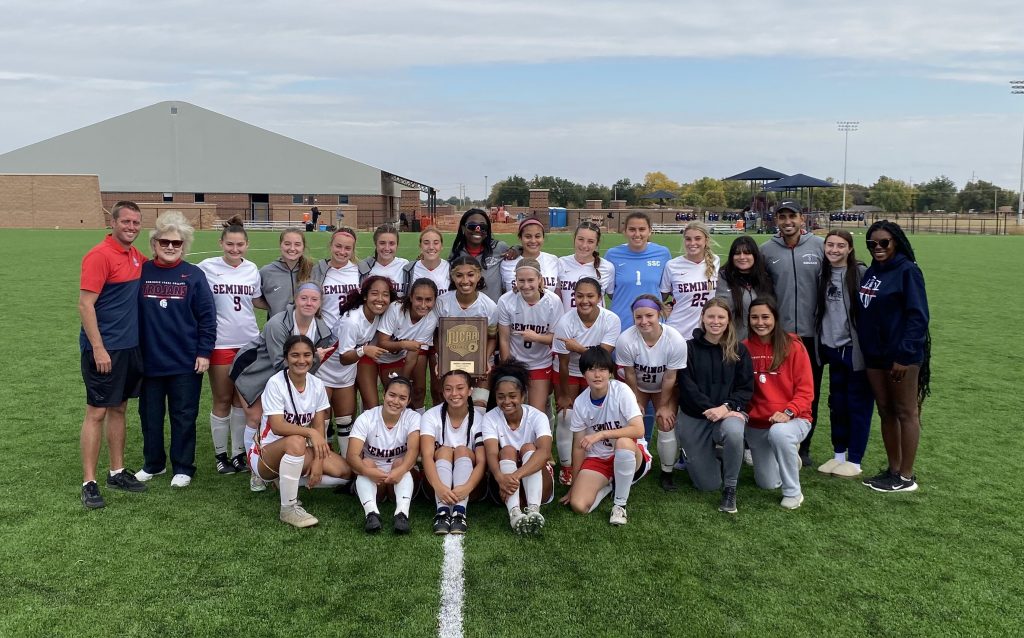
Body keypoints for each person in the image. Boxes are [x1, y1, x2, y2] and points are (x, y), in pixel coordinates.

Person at [136, 211, 216, 489]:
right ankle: (153, 464)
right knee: (150, 417)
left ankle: (183, 467)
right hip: (149, 361)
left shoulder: (194, 275)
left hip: (185, 362)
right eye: (165, 242)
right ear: (154, 243)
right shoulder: (142, 271)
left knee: (183, 416)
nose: (170, 247)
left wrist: (204, 352)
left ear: (185, 245)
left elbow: (207, 317)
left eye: (177, 243)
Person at [231, 282, 335, 489]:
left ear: (320, 303)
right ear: (295, 299)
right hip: (253, 369)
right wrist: (314, 359)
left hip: (280, 373)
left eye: (314, 299)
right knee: (255, 417)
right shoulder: (278, 323)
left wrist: (313, 360)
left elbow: (299, 367)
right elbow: (281, 364)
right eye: (303, 298)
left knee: (276, 416)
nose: (308, 303)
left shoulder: (322, 328)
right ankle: (256, 471)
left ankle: (279, 465)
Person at [79, 200, 147, 508]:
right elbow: (85, 305)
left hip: (129, 347)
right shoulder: (100, 255)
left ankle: (116, 471)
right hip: (104, 350)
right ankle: (89, 481)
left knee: (119, 409)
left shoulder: (135, 256)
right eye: (126, 222)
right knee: (97, 412)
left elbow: (162, 265)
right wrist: (98, 348)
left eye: (136, 223)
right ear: (113, 223)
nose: (131, 227)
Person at [248, 335, 352, 528]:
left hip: (298, 450)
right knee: (296, 440)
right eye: (295, 355)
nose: (301, 360)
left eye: (307, 355)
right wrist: (310, 434)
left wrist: (319, 462)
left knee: (344, 472)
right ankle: (288, 508)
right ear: (286, 358)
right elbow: (278, 425)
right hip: (266, 454)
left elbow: (320, 426)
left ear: (313, 357)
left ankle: (285, 480)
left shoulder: (317, 384)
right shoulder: (275, 383)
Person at [857, 221, 931, 493]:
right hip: (874, 354)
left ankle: (906, 477)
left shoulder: (907, 271)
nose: (878, 248)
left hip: (900, 356)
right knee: (886, 411)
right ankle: (893, 469)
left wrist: (905, 354)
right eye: (872, 244)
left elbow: (918, 316)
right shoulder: (874, 271)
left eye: (884, 243)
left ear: (896, 242)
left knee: (906, 411)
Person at [668, 298, 753, 513]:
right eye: (711, 316)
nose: (716, 321)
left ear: (728, 320)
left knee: (734, 432)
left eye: (721, 317)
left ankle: (730, 488)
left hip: (728, 412)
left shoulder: (739, 350)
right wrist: (711, 409)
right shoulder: (688, 348)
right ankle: (710, 455)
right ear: (703, 319)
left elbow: (745, 389)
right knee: (707, 485)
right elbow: (687, 387)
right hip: (696, 415)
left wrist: (726, 407)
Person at [198, 216, 265, 475]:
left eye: (239, 245)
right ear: (221, 243)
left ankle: (238, 453)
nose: (234, 249)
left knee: (242, 400)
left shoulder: (252, 269)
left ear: (247, 245)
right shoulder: (206, 267)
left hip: (249, 343)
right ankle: (220, 455)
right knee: (223, 398)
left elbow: (257, 301)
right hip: (221, 342)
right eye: (229, 244)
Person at [760, 201, 824, 467]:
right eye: (782, 217)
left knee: (811, 392)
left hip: (813, 335)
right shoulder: (766, 250)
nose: (787, 221)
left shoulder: (820, 246)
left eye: (792, 216)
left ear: (802, 218)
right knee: (775, 389)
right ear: (777, 220)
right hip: (780, 335)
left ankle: (803, 446)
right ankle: (771, 442)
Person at [562, 347, 650, 526]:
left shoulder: (621, 391)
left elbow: (639, 429)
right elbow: (579, 446)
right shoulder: (580, 403)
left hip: (632, 455)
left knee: (623, 443)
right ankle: (610, 484)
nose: (597, 375)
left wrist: (602, 434)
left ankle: (619, 505)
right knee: (578, 505)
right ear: (584, 373)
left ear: (610, 372)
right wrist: (574, 485)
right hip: (599, 458)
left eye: (602, 369)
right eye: (591, 369)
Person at [743, 298, 814, 509]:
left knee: (780, 433)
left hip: (793, 419)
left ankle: (793, 492)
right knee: (767, 483)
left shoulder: (793, 346)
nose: (760, 322)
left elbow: (806, 391)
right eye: (754, 317)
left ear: (775, 318)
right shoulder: (744, 348)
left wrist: (788, 412)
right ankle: (788, 456)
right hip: (757, 423)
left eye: (765, 317)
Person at [551, 277, 621, 486]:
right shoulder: (565, 322)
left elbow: (603, 358)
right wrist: (563, 395)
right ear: (574, 297)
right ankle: (566, 467)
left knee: (601, 416)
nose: (584, 300)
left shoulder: (611, 319)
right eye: (580, 295)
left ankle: (600, 460)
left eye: (590, 296)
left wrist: (579, 348)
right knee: (566, 416)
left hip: (597, 371)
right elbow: (563, 362)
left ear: (599, 298)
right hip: (570, 372)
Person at [815, 230, 873, 479]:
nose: (834, 250)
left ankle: (856, 459)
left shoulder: (860, 273)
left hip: (854, 351)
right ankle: (838, 454)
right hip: (831, 348)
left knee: (857, 405)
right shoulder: (823, 273)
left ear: (850, 249)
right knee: (837, 404)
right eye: (830, 245)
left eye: (840, 246)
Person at [614, 295, 687, 490]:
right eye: (639, 317)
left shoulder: (675, 340)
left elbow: (671, 377)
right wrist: (635, 401)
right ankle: (633, 462)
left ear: (659, 314)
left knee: (665, 420)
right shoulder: (626, 339)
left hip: (664, 385)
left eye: (649, 316)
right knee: (630, 420)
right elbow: (629, 374)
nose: (644, 321)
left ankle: (667, 472)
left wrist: (663, 406)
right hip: (637, 385)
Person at [482, 359, 554, 534]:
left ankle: (534, 510)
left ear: (523, 395)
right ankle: (514, 513)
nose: (507, 401)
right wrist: (500, 478)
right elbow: (491, 453)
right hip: (503, 488)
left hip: (533, 486)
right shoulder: (490, 417)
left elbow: (545, 452)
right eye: (501, 397)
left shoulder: (538, 416)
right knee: (506, 450)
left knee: (529, 448)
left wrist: (513, 477)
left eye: (512, 396)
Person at [347, 376, 422, 534]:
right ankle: (372, 514)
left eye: (402, 398)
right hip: (375, 479)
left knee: (400, 462)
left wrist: (399, 471)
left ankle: (402, 514)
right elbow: (352, 456)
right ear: (384, 395)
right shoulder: (367, 418)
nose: (395, 401)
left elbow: (413, 451)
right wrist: (368, 472)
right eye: (392, 395)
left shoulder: (413, 417)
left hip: (401, 475)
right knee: (366, 463)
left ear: (408, 401)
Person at [420, 370, 487, 535]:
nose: (454, 394)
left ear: (470, 391)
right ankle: (442, 512)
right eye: (448, 389)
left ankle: (459, 512)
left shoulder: (479, 419)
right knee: (444, 451)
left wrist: (467, 487)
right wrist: (439, 487)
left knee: (462, 450)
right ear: (442, 392)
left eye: (460, 388)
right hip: (436, 486)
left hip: (470, 488)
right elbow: (427, 457)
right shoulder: (430, 416)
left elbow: (482, 462)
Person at [310, 227, 360, 446]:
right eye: (338, 246)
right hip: (325, 347)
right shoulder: (319, 271)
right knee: (322, 413)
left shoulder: (360, 271)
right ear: (330, 246)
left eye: (347, 248)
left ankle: (347, 466)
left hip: (348, 347)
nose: (342, 251)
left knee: (346, 415)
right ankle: (323, 461)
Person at [333, 275, 393, 451]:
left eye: (385, 294)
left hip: (351, 367)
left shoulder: (376, 314)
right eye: (375, 293)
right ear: (365, 296)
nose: (380, 299)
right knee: (336, 417)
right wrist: (364, 350)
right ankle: (342, 459)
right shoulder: (352, 321)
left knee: (368, 407)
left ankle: (370, 450)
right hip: (331, 368)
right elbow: (344, 357)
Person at [496, 258, 563, 413]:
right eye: (521, 280)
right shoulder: (506, 301)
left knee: (535, 411)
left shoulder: (553, 301)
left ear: (540, 279)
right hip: (515, 362)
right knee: (513, 408)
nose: (526, 286)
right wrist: (508, 368)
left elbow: (556, 338)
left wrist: (536, 337)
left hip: (540, 362)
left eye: (531, 280)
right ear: (515, 281)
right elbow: (504, 339)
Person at [434, 256, 499, 407]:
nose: (465, 280)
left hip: (479, 362)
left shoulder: (489, 306)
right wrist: (442, 358)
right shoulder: (442, 302)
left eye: (470, 275)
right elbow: (436, 335)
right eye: (459, 275)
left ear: (478, 275)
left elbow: (491, 337)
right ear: (452, 277)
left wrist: (483, 359)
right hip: (449, 361)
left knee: (479, 406)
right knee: (452, 402)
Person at [400, 228, 449, 405]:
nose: (431, 247)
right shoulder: (409, 269)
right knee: (418, 388)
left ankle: (438, 426)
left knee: (439, 388)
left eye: (436, 242)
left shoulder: (449, 268)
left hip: (441, 333)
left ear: (442, 246)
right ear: (420, 245)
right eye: (426, 242)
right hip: (417, 331)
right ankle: (418, 426)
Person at [375, 278, 439, 411]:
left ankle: (419, 419)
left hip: (408, 354)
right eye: (418, 299)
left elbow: (414, 350)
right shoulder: (396, 308)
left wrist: (403, 380)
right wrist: (404, 344)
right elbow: (382, 342)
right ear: (411, 297)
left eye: (428, 300)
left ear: (434, 300)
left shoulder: (431, 318)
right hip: (385, 355)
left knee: (418, 389)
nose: (423, 305)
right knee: (392, 394)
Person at [606, 212, 671, 330]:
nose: (637, 234)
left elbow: (665, 290)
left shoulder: (662, 253)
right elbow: (610, 292)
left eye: (642, 229)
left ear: (649, 231)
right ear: (625, 231)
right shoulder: (612, 254)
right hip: (621, 320)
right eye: (632, 229)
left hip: (652, 321)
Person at [661, 221, 720, 339]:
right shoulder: (672, 265)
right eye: (688, 239)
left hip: (707, 332)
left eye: (698, 238)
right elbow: (661, 295)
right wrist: (663, 309)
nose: (693, 243)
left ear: (706, 240)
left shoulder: (715, 261)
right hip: (678, 330)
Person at [715, 235, 774, 341]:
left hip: (759, 344)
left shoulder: (764, 280)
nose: (742, 257)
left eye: (747, 253)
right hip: (731, 345)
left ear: (755, 256)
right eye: (737, 253)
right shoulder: (722, 279)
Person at [448, 208, 510, 303]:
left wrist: (517, 249)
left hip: (493, 312)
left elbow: (522, 255)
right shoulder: (456, 253)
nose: (478, 230)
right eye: (472, 226)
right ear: (463, 228)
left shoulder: (499, 248)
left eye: (483, 226)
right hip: (467, 312)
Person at [556, 220, 615, 313]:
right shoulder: (561, 263)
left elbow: (614, 297)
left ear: (597, 244)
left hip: (596, 326)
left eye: (590, 241)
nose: (584, 245)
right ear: (574, 238)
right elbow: (557, 298)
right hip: (568, 325)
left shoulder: (607, 267)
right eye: (580, 239)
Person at [259, 227, 314, 319]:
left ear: (303, 247)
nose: (292, 248)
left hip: (306, 329)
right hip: (277, 329)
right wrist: (274, 307)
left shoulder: (312, 270)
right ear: (280, 245)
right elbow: (255, 298)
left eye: (297, 244)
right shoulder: (266, 272)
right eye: (287, 244)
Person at [500, 217, 559, 294]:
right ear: (520, 238)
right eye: (528, 236)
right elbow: (503, 292)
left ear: (543, 238)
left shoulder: (553, 260)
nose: (533, 241)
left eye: (537, 236)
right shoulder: (507, 263)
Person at [358, 224, 410, 298]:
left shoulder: (405, 266)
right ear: (376, 244)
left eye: (391, 243)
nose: (387, 248)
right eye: (382, 243)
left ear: (397, 245)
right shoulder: (364, 268)